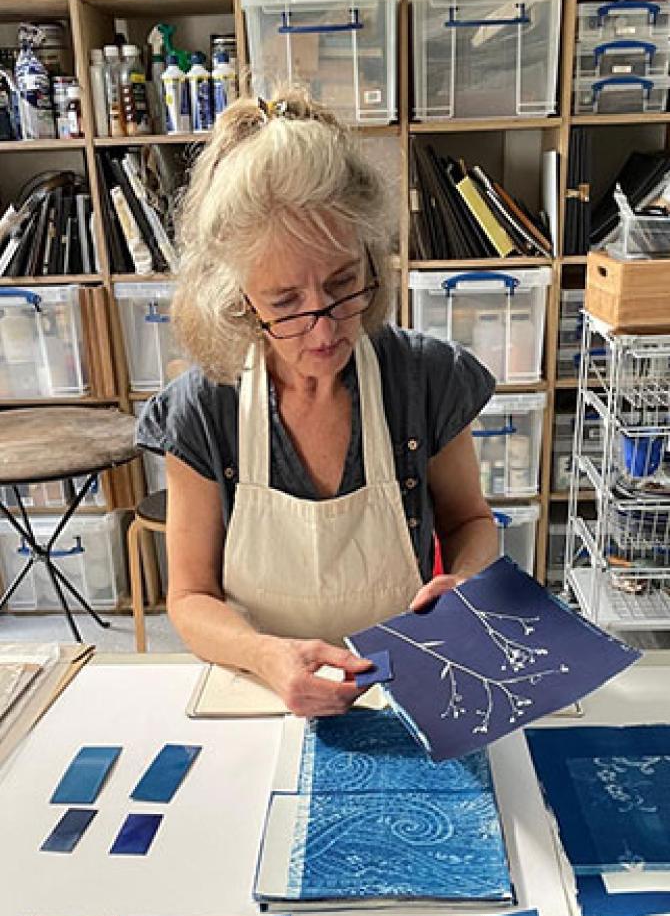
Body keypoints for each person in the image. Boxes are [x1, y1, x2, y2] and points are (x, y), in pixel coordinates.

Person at [137, 89, 498, 718]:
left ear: (370, 260)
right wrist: (267, 656)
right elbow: (191, 597)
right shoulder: (203, 408)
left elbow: (471, 523)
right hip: (263, 689)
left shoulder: (425, 378)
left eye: (341, 285)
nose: (325, 329)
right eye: (284, 303)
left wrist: (464, 584)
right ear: (237, 298)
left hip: (405, 686)